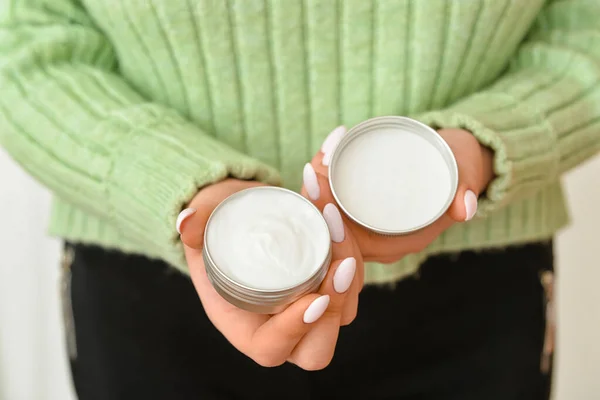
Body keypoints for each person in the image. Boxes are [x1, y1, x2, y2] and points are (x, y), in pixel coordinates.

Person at [1, 0, 598, 399]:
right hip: (149, 286)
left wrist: (479, 150)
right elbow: (21, 43)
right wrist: (168, 177)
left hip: (475, 296)